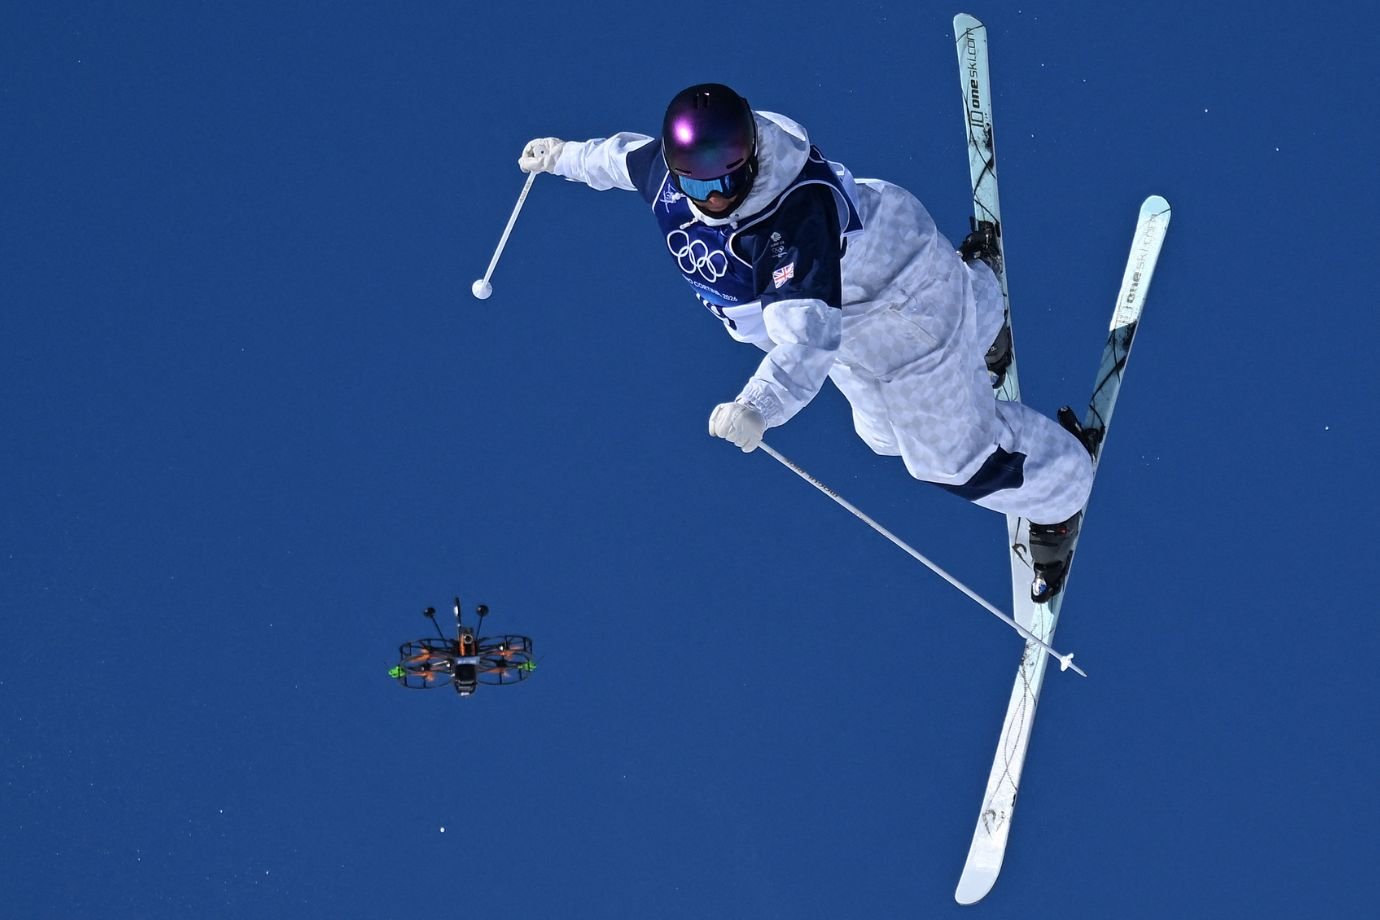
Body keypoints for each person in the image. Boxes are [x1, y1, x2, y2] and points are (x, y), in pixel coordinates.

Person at [518, 84, 1090, 601]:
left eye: (728, 177)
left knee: (948, 461)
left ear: (751, 157)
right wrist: (560, 156)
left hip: (902, 305)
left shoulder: (789, 219)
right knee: (881, 438)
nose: (716, 195)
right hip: (864, 310)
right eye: (699, 181)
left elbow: (807, 344)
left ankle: (1063, 491)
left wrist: (755, 408)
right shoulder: (666, 177)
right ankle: (980, 305)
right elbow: (616, 158)